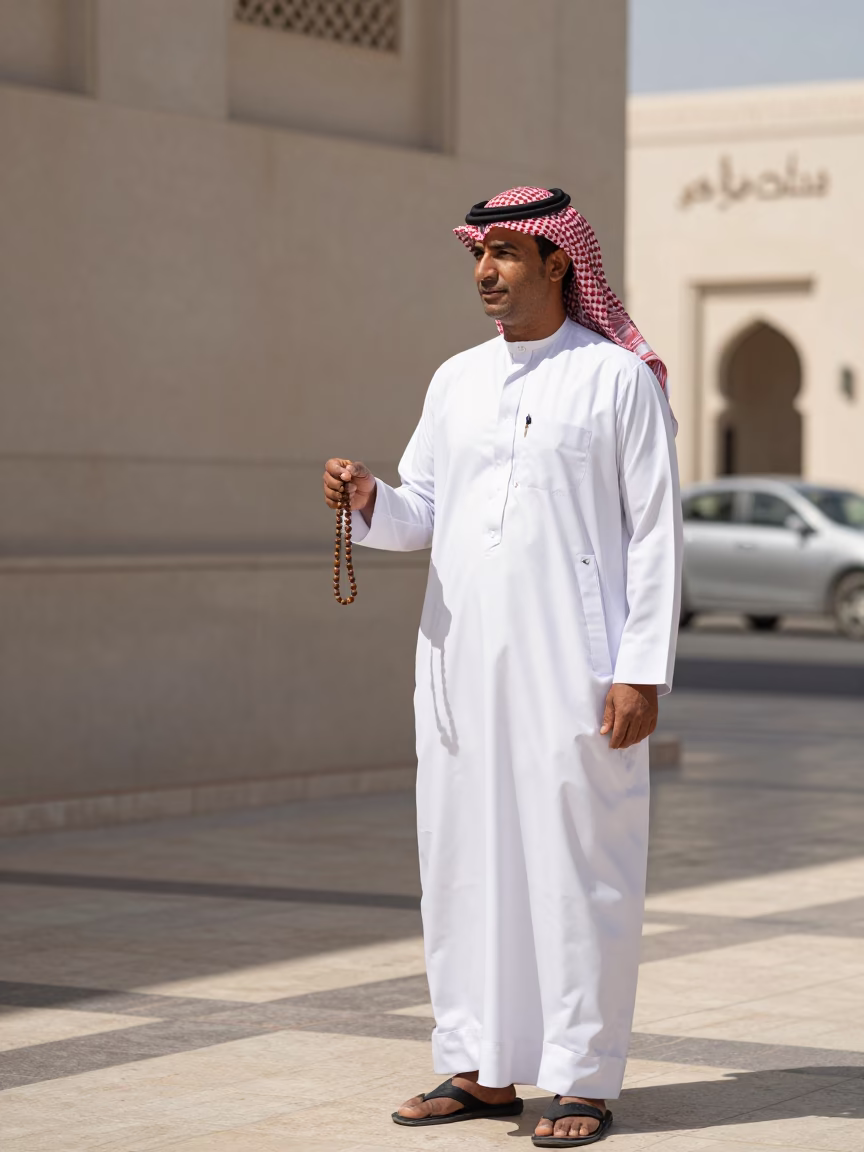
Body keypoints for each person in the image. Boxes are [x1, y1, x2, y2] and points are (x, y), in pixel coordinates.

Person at [322, 186, 682, 1148]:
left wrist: (640, 669)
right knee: (463, 863)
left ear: (560, 263)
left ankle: (582, 1077)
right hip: (459, 669)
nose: (485, 272)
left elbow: (655, 534)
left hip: (577, 668)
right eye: (478, 256)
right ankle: (478, 1067)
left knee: (578, 868)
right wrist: (368, 499)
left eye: (507, 255)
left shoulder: (617, 379)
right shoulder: (455, 381)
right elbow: (420, 517)